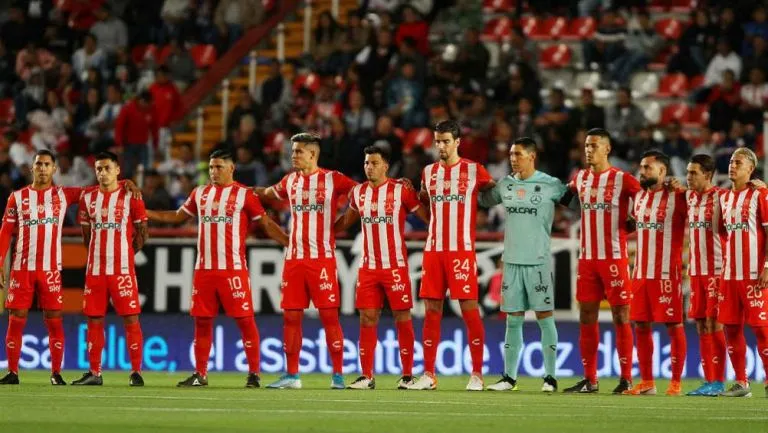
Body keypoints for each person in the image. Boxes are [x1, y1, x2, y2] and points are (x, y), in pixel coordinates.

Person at [144, 149, 289, 388]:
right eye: (211, 167)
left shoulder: (244, 195)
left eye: (219, 167)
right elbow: (178, 217)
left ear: (231, 168)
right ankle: (200, 374)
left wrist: (287, 242)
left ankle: (254, 374)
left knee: (245, 320)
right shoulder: (200, 193)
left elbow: (265, 224)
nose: (213, 172)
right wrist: (145, 213)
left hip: (233, 270)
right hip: (204, 271)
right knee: (202, 322)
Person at [255, 133, 358, 390]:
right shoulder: (290, 181)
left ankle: (337, 376)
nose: (293, 155)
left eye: (298, 151)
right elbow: (267, 192)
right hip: (294, 260)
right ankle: (292, 375)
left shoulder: (333, 179)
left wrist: (340, 225)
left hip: (321, 260)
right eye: (293, 151)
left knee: (329, 318)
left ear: (313, 154)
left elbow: (363, 194)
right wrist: (237, 188)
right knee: (291, 317)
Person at [407, 120, 495, 391]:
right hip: (433, 250)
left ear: (457, 142)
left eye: (446, 141)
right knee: (431, 310)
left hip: (461, 251)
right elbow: (423, 198)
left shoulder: (473, 170)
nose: (441, 146)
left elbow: (493, 191)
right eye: (438, 141)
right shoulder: (428, 172)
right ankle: (429, 374)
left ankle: (477, 374)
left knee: (469, 309)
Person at [334, 145, 429, 390]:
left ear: (385, 166)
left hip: (395, 266)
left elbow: (426, 216)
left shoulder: (401, 191)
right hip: (368, 267)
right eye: (366, 163)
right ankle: (367, 376)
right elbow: (347, 220)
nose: (369, 167)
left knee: (402, 317)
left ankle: (407, 375)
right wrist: (326, 232)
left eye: (374, 163)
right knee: (367, 317)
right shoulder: (358, 193)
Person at [479, 137, 569, 392]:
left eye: (517, 154)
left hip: (538, 261)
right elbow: (485, 199)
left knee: (544, 317)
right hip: (511, 262)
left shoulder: (550, 184)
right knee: (513, 320)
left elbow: (574, 201)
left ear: (532, 156)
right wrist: (476, 183)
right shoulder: (506, 184)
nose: (513, 158)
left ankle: (550, 377)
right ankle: (509, 378)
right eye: (511, 154)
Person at [563, 128, 641, 394]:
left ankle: (626, 378)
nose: (588, 150)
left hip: (614, 258)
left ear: (607, 149)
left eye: (594, 146)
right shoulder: (581, 178)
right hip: (587, 259)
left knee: (621, 316)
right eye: (586, 146)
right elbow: (565, 196)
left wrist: (633, 223)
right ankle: (590, 379)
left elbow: (645, 201)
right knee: (587, 315)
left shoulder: (623, 180)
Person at [71, 152, 148, 386]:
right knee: (94, 319)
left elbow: (142, 232)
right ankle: (95, 372)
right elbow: (86, 235)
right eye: (98, 169)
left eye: (106, 168)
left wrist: (125, 253)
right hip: (95, 270)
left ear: (117, 170)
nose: (102, 173)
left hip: (122, 270)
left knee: (131, 318)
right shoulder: (88, 198)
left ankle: (136, 372)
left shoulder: (130, 195)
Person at [622, 151, 688, 396]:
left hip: (666, 274)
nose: (643, 171)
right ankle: (647, 382)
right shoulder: (639, 197)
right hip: (640, 273)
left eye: (648, 168)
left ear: (662, 171)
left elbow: (703, 205)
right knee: (640, 325)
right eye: (641, 167)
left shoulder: (678, 197)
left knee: (673, 325)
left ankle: (675, 383)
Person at [715, 148, 768, 398]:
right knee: (731, 328)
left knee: (762, 329)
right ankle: (741, 383)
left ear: (751, 169)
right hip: (729, 276)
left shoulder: (761, 194)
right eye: (731, 161)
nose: (732, 165)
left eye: (738, 162)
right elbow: (723, 233)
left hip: (754, 274)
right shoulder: (724, 198)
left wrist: (767, 266)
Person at [683, 154, 728, 396]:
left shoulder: (723, 197)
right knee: (701, 325)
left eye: (693, 173)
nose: (688, 177)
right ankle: (709, 380)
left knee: (714, 323)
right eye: (688, 172)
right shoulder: (689, 197)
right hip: (696, 271)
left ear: (708, 175)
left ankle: (720, 381)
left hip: (717, 269)